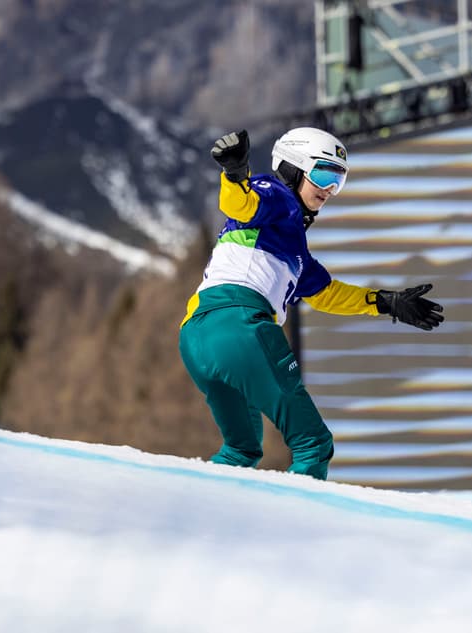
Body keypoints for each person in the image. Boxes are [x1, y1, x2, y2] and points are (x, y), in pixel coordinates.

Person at [179, 127, 444, 480]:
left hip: (195, 338)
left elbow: (327, 294)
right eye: (322, 174)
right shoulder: (276, 195)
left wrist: (386, 302)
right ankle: (297, 526)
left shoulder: (291, 248)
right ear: (292, 168)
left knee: (241, 449)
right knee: (314, 443)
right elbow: (242, 204)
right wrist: (235, 174)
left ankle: (198, 511)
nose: (329, 190)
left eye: (339, 181)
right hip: (241, 325)